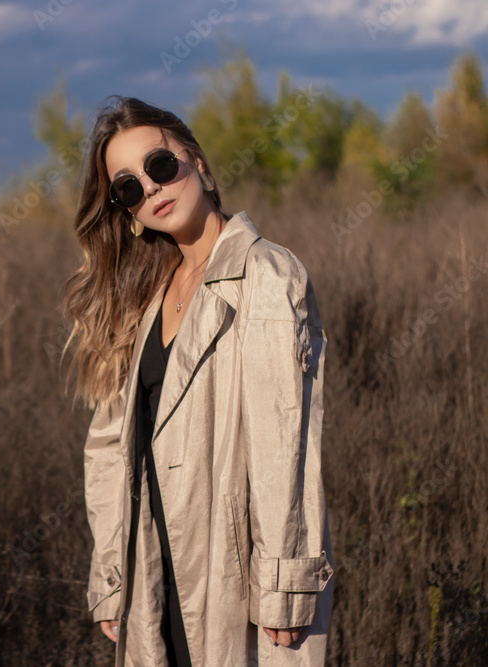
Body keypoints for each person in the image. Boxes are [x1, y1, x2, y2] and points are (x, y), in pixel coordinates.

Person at [61, 97, 334, 666]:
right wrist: (111, 573)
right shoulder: (147, 296)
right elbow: (112, 446)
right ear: (127, 211)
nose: (152, 188)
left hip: (232, 581)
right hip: (153, 577)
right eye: (129, 187)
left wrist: (285, 584)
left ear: (199, 163)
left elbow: (285, 443)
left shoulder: (265, 275)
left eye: (161, 165)